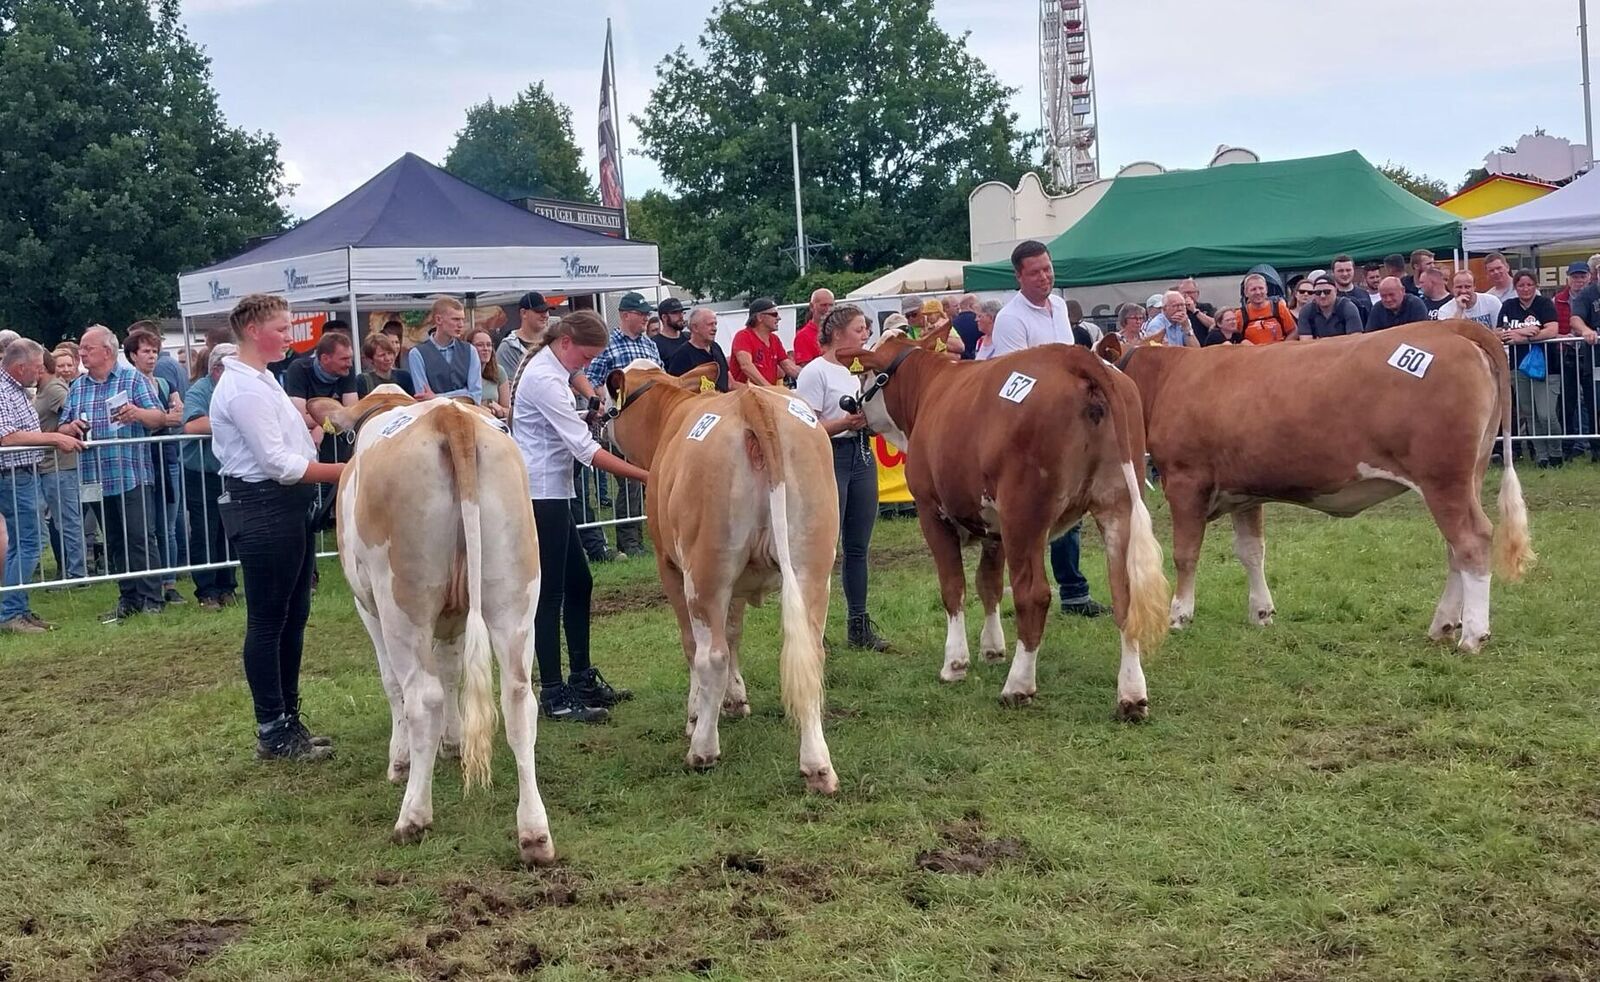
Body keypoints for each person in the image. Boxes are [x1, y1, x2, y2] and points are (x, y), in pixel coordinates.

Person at [210, 293, 346, 761]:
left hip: (287, 505)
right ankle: (273, 728)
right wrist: (348, 471)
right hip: (265, 506)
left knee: (292, 616)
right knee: (269, 620)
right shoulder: (245, 388)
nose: (290, 337)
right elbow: (278, 463)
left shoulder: (263, 379)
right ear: (253, 330)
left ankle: (288, 720)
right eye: (283, 329)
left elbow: (295, 448)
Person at [510, 310, 650, 722]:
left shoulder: (552, 369)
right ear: (566, 342)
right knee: (550, 592)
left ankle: (581, 677)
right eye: (585, 358)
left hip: (553, 488)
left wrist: (587, 417)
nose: (585, 367)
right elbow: (586, 451)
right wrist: (649, 476)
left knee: (579, 582)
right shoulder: (545, 378)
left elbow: (571, 433)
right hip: (541, 493)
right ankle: (553, 693)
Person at [989, 239, 1107, 617]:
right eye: (1035, 271)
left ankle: (1072, 588)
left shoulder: (1058, 306)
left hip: (1069, 416)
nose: (1044, 276)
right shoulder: (1010, 318)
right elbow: (1013, 379)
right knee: (1039, 509)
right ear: (1018, 276)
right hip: (1034, 423)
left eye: (1047, 268)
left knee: (1074, 503)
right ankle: (1041, 585)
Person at [796, 305, 889, 651]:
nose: (865, 334)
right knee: (823, 549)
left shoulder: (860, 371)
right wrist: (843, 424)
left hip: (862, 454)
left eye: (865, 328)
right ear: (837, 334)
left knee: (858, 547)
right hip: (829, 456)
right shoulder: (815, 372)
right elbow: (806, 426)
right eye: (859, 328)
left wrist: (871, 423)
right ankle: (812, 631)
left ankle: (859, 624)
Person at [59, 326, 167, 622]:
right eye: (81, 348)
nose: (81, 353)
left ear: (107, 351)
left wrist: (137, 413)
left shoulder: (133, 379)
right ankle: (128, 597)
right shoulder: (79, 386)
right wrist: (68, 429)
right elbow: (63, 424)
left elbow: (159, 417)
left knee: (140, 537)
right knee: (115, 541)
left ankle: (152, 598)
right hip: (94, 476)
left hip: (130, 473)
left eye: (86, 348)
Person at [1, 339, 84, 632]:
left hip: (23, 472)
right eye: (37, 368)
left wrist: (61, 431)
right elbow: (7, 438)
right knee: (31, 542)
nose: (40, 374)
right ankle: (11, 612)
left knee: (23, 543)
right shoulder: (3, 390)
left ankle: (16, 609)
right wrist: (55, 439)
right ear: (21, 366)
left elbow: (26, 432)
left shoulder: (16, 389)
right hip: (12, 474)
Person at [581, 291, 663, 559]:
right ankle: (629, 541)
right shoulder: (607, 345)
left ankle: (654, 532)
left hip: (649, 426)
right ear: (625, 315)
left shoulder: (650, 345)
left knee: (651, 479)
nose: (645, 319)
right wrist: (601, 401)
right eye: (641, 314)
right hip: (619, 426)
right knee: (629, 480)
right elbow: (591, 380)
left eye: (646, 315)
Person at [125, 326, 187, 606]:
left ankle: (170, 582)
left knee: (168, 524)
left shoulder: (164, 384)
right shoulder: (128, 382)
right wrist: (163, 417)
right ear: (132, 355)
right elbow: (164, 418)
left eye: (154, 351)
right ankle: (148, 583)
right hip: (141, 460)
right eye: (146, 351)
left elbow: (178, 417)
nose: (151, 357)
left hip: (167, 457)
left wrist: (166, 416)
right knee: (145, 527)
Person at [179, 343, 240, 608]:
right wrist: (232, 422)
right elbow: (193, 424)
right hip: (202, 472)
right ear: (217, 370)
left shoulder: (238, 389)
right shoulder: (200, 391)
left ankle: (228, 586)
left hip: (231, 471)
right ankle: (206, 590)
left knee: (230, 530)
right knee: (205, 531)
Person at [1497, 269, 1564, 468]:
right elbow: (1500, 332)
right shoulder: (1508, 306)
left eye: (1529, 285)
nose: (1525, 289)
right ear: (1515, 287)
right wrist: (1522, 331)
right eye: (1521, 285)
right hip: (1518, 367)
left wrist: (1526, 337)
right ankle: (1541, 456)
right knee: (1529, 412)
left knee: (1546, 413)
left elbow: (1552, 330)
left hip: (1546, 367)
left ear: (1536, 286)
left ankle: (1556, 453)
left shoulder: (1544, 304)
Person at [34, 346, 87, 582]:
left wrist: (63, 432)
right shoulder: (43, 390)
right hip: (48, 464)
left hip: (60, 465)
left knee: (68, 521)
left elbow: (76, 414)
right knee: (59, 520)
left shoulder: (55, 388)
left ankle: (77, 572)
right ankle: (69, 570)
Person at [284, 331, 359, 468]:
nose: (349, 363)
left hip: (338, 450)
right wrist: (325, 424)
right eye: (344, 359)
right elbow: (299, 416)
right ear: (325, 359)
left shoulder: (347, 371)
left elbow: (351, 414)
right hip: (308, 451)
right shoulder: (299, 369)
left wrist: (320, 426)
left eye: (350, 358)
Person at [407, 296, 482, 403]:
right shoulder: (417, 354)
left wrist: (436, 397)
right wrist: (464, 393)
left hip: (466, 415)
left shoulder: (471, 351)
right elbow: (423, 398)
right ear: (438, 320)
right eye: (455, 319)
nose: (461, 324)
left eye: (462, 319)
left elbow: (475, 396)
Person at [1564, 256, 1600, 461]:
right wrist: (1586, 330)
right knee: (1595, 403)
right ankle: (1596, 449)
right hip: (1595, 358)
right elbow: (1575, 318)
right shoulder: (1588, 294)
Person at [728, 297, 799, 386]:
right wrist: (769, 389)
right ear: (760, 317)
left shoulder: (774, 339)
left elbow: (788, 367)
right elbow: (746, 366)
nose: (779, 318)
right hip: (745, 396)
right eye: (774, 314)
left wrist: (809, 374)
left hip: (764, 394)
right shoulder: (743, 336)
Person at [666, 307, 736, 391]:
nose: (715, 328)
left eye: (715, 324)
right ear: (695, 328)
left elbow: (730, 383)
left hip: (724, 401)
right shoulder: (682, 356)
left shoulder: (716, 347)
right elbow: (674, 390)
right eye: (710, 324)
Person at [496, 292, 555, 383]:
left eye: (547, 311)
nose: (545, 315)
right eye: (539, 311)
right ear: (524, 313)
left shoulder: (555, 340)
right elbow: (509, 387)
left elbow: (575, 373)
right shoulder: (509, 348)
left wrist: (585, 393)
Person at [1296, 273, 1365, 340]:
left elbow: (1355, 339)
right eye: (1318, 293)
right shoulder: (1306, 311)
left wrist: (1322, 340)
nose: (1322, 296)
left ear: (1335, 291)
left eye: (1327, 292)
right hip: (1316, 350)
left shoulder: (1348, 307)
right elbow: (1305, 343)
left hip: (1345, 350)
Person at [1240, 273, 1297, 344]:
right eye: (1253, 289)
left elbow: (1293, 331)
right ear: (1246, 293)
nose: (1258, 292)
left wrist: (1283, 347)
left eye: (1261, 288)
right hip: (1253, 353)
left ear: (1266, 289)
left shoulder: (1279, 308)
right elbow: (1234, 337)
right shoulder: (1240, 314)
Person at [1436, 269, 1502, 327]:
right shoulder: (1444, 310)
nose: (1463, 291)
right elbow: (1450, 335)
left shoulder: (1492, 302)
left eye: (1467, 287)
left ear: (1474, 287)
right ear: (1452, 288)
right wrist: (1460, 309)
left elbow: (1499, 329)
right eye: (1459, 287)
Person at [470, 329, 510, 419]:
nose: (486, 349)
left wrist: (498, 410)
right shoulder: (461, 373)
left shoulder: (499, 371)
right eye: (480, 345)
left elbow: (508, 410)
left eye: (488, 345)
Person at [791, 289, 835, 367]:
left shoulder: (839, 331)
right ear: (811, 307)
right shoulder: (803, 336)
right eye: (823, 305)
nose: (828, 309)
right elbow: (806, 369)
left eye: (831, 305)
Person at [1330, 255, 1372, 321]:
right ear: (1333, 273)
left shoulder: (1364, 294)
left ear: (1353, 270)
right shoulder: (1329, 296)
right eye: (1340, 271)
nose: (1345, 274)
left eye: (1348, 270)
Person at [652, 297, 690, 365]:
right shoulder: (654, 344)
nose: (681, 316)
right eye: (675, 313)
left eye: (681, 312)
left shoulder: (689, 337)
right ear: (664, 317)